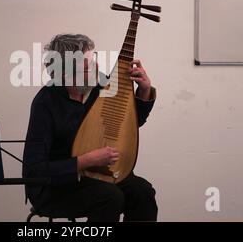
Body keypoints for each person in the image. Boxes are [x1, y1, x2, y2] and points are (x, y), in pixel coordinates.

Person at [22, 34, 158, 222]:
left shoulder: (100, 85)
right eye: (87, 68)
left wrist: (144, 90)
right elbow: (35, 170)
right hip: (58, 186)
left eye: (94, 62)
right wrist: (84, 161)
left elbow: (128, 124)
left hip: (99, 175)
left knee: (142, 193)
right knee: (110, 197)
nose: (97, 69)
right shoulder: (45, 103)